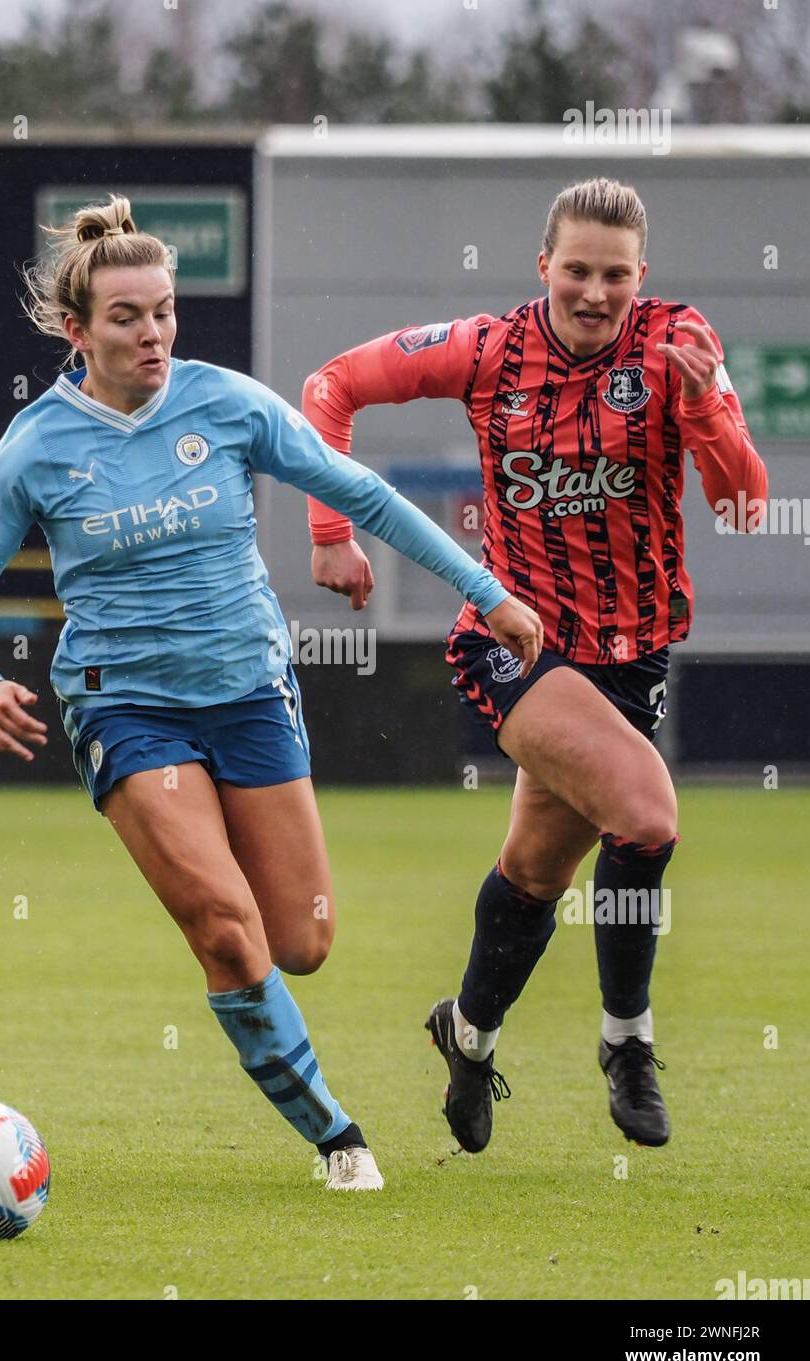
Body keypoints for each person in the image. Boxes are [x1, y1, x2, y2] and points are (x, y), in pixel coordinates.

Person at [0, 193, 542, 1191]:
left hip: (250, 693)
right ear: (78, 331)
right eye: (127, 317)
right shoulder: (39, 446)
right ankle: (338, 1136)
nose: (153, 333)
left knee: (301, 941)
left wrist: (488, 592)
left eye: (164, 310)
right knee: (223, 923)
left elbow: (364, 495)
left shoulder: (226, 404)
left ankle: (279, 1023)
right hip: (122, 704)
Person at [302, 176, 768, 1152]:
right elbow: (330, 387)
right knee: (645, 817)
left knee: (534, 871)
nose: (595, 293)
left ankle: (467, 1038)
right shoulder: (488, 349)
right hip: (513, 637)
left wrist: (710, 416)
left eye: (616, 276)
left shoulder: (681, 343)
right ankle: (627, 1043)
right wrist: (330, 530)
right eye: (577, 271)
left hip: (631, 661)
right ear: (542, 266)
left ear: (641, 277)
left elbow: (744, 502)